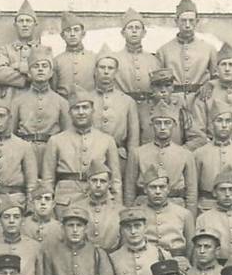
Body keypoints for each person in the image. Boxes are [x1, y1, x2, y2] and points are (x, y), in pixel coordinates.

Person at [41, 89, 121, 217]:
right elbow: (47, 180)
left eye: (85, 107)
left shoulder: (107, 140)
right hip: (66, 200)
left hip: (98, 201)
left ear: (93, 110)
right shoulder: (56, 140)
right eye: (76, 108)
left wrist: (116, 207)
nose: (81, 112)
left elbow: (115, 180)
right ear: (69, 113)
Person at [11, 46, 70, 166]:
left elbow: (67, 136)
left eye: (44, 66)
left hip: (52, 154)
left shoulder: (61, 102)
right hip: (24, 153)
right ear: (28, 72)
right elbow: (11, 134)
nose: (40, 70)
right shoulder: (18, 102)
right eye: (35, 66)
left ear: (51, 72)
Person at [156, 0, 217, 108]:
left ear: (197, 21)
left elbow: (217, 77)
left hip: (201, 102)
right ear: (176, 21)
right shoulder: (164, 51)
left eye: (191, 20)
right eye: (183, 21)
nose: (187, 25)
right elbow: (158, 83)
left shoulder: (209, 49)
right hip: (173, 103)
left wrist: (210, 84)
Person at [89, 48, 140, 174]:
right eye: (102, 67)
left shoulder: (127, 101)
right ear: (95, 71)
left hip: (119, 159)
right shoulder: (86, 99)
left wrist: (131, 166)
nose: (106, 71)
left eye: (110, 68)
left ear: (116, 72)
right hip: (91, 156)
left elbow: (133, 140)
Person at [135, 165, 195, 259]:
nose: (158, 191)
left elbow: (191, 246)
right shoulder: (137, 213)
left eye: (162, 187)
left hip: (177, 260)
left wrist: (186, 262)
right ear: (145, 190)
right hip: (147, 260)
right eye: (153, 187)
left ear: (168, 189)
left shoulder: (184, 214)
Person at [194, 166, 232, 262]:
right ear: (214, 193)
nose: (227, 194)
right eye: (222, 190)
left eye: (231, 189)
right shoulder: (203, 219)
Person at [137, 68, 204, 150]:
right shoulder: (141, 110)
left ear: (172, 87)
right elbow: (132, 139)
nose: (163, 90)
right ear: (151, 88)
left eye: (167, 85)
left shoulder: (180, 109)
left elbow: (199, 139)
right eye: (158, 86)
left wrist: (179, 152)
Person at [0, 0, 42, 102]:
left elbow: (46, 75)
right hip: (11, 100)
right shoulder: (5, 50)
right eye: (21, 21)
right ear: (15, 25)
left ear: (35, 24)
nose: (24, 24)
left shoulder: (43, 50)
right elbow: (0, 75)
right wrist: (28, 76)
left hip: (36, 100)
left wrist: (15, 66)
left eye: (28, 21)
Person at [112, 8, 161, 101]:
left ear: (144, 33)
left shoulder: (153, 60)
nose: (134, 31)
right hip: (123, 107)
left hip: (148, 108)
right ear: (123, 33)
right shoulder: (114, 59)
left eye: (137, 28)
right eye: (130, 28)